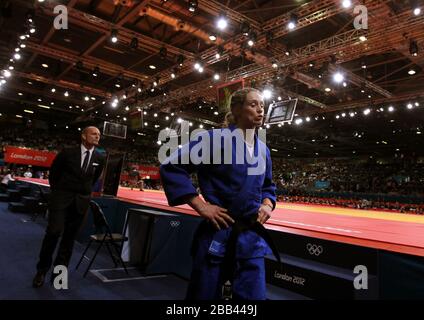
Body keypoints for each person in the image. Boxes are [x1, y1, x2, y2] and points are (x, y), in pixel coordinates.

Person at [160, 88, 277, 300]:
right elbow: (172, 166)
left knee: (254, 298)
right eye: (253, 104)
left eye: (262, 105)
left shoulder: (263, 150)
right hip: (218, 232)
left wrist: (268, 203)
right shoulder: (213, 140)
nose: (261, 109)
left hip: (251, 238)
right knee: (204, 296)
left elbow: (268, 186)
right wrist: (201, 205)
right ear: (237, 109)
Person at [32, 126, 105, 288]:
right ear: (83, 136)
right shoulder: (67, 152)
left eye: (99, 135)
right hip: (61, 198)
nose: (97, 137)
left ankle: (59, 276)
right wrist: (58, 192)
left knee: (69, 239)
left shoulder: (100, 158)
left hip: (81, 202)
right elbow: (54, 174)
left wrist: (84, 194)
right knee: (54, 232)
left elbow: (92, 181)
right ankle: (41, 271)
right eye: (94, 134)